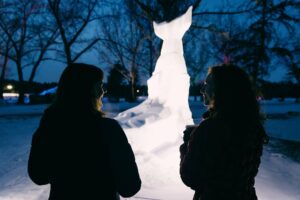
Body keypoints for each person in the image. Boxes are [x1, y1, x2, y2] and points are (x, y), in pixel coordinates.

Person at [28, 63, 141, 200]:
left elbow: (39, 177)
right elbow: (129, 187)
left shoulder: (49, 128)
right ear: (89, 91)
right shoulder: (108, 130)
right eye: (99, 86)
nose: (102, 91)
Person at [180, 64, 268, 200]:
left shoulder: (210, 129)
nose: (202, 90)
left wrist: (186, 146)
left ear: (222, 90)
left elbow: (191, 177)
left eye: (207, 84)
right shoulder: (252, 126)